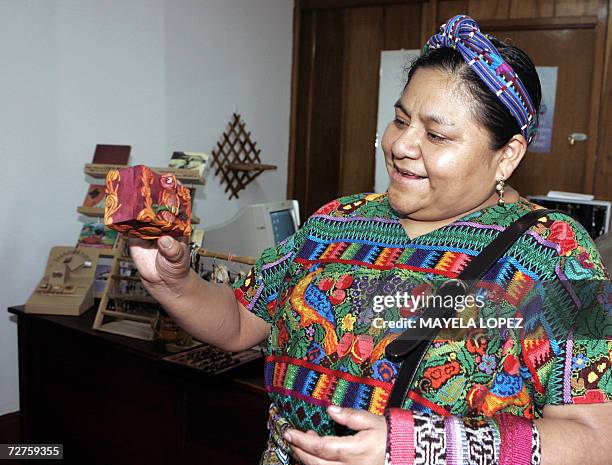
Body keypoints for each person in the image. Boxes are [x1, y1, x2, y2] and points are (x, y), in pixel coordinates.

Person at [130, 15, 611, 465]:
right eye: (401, 120)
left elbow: (597, 438)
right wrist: (174, 283)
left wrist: (419, 448)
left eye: (437, 136)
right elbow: (239, 322)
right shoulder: (337, 221)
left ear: (506, 156)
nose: (401, 145)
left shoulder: (560, 254)